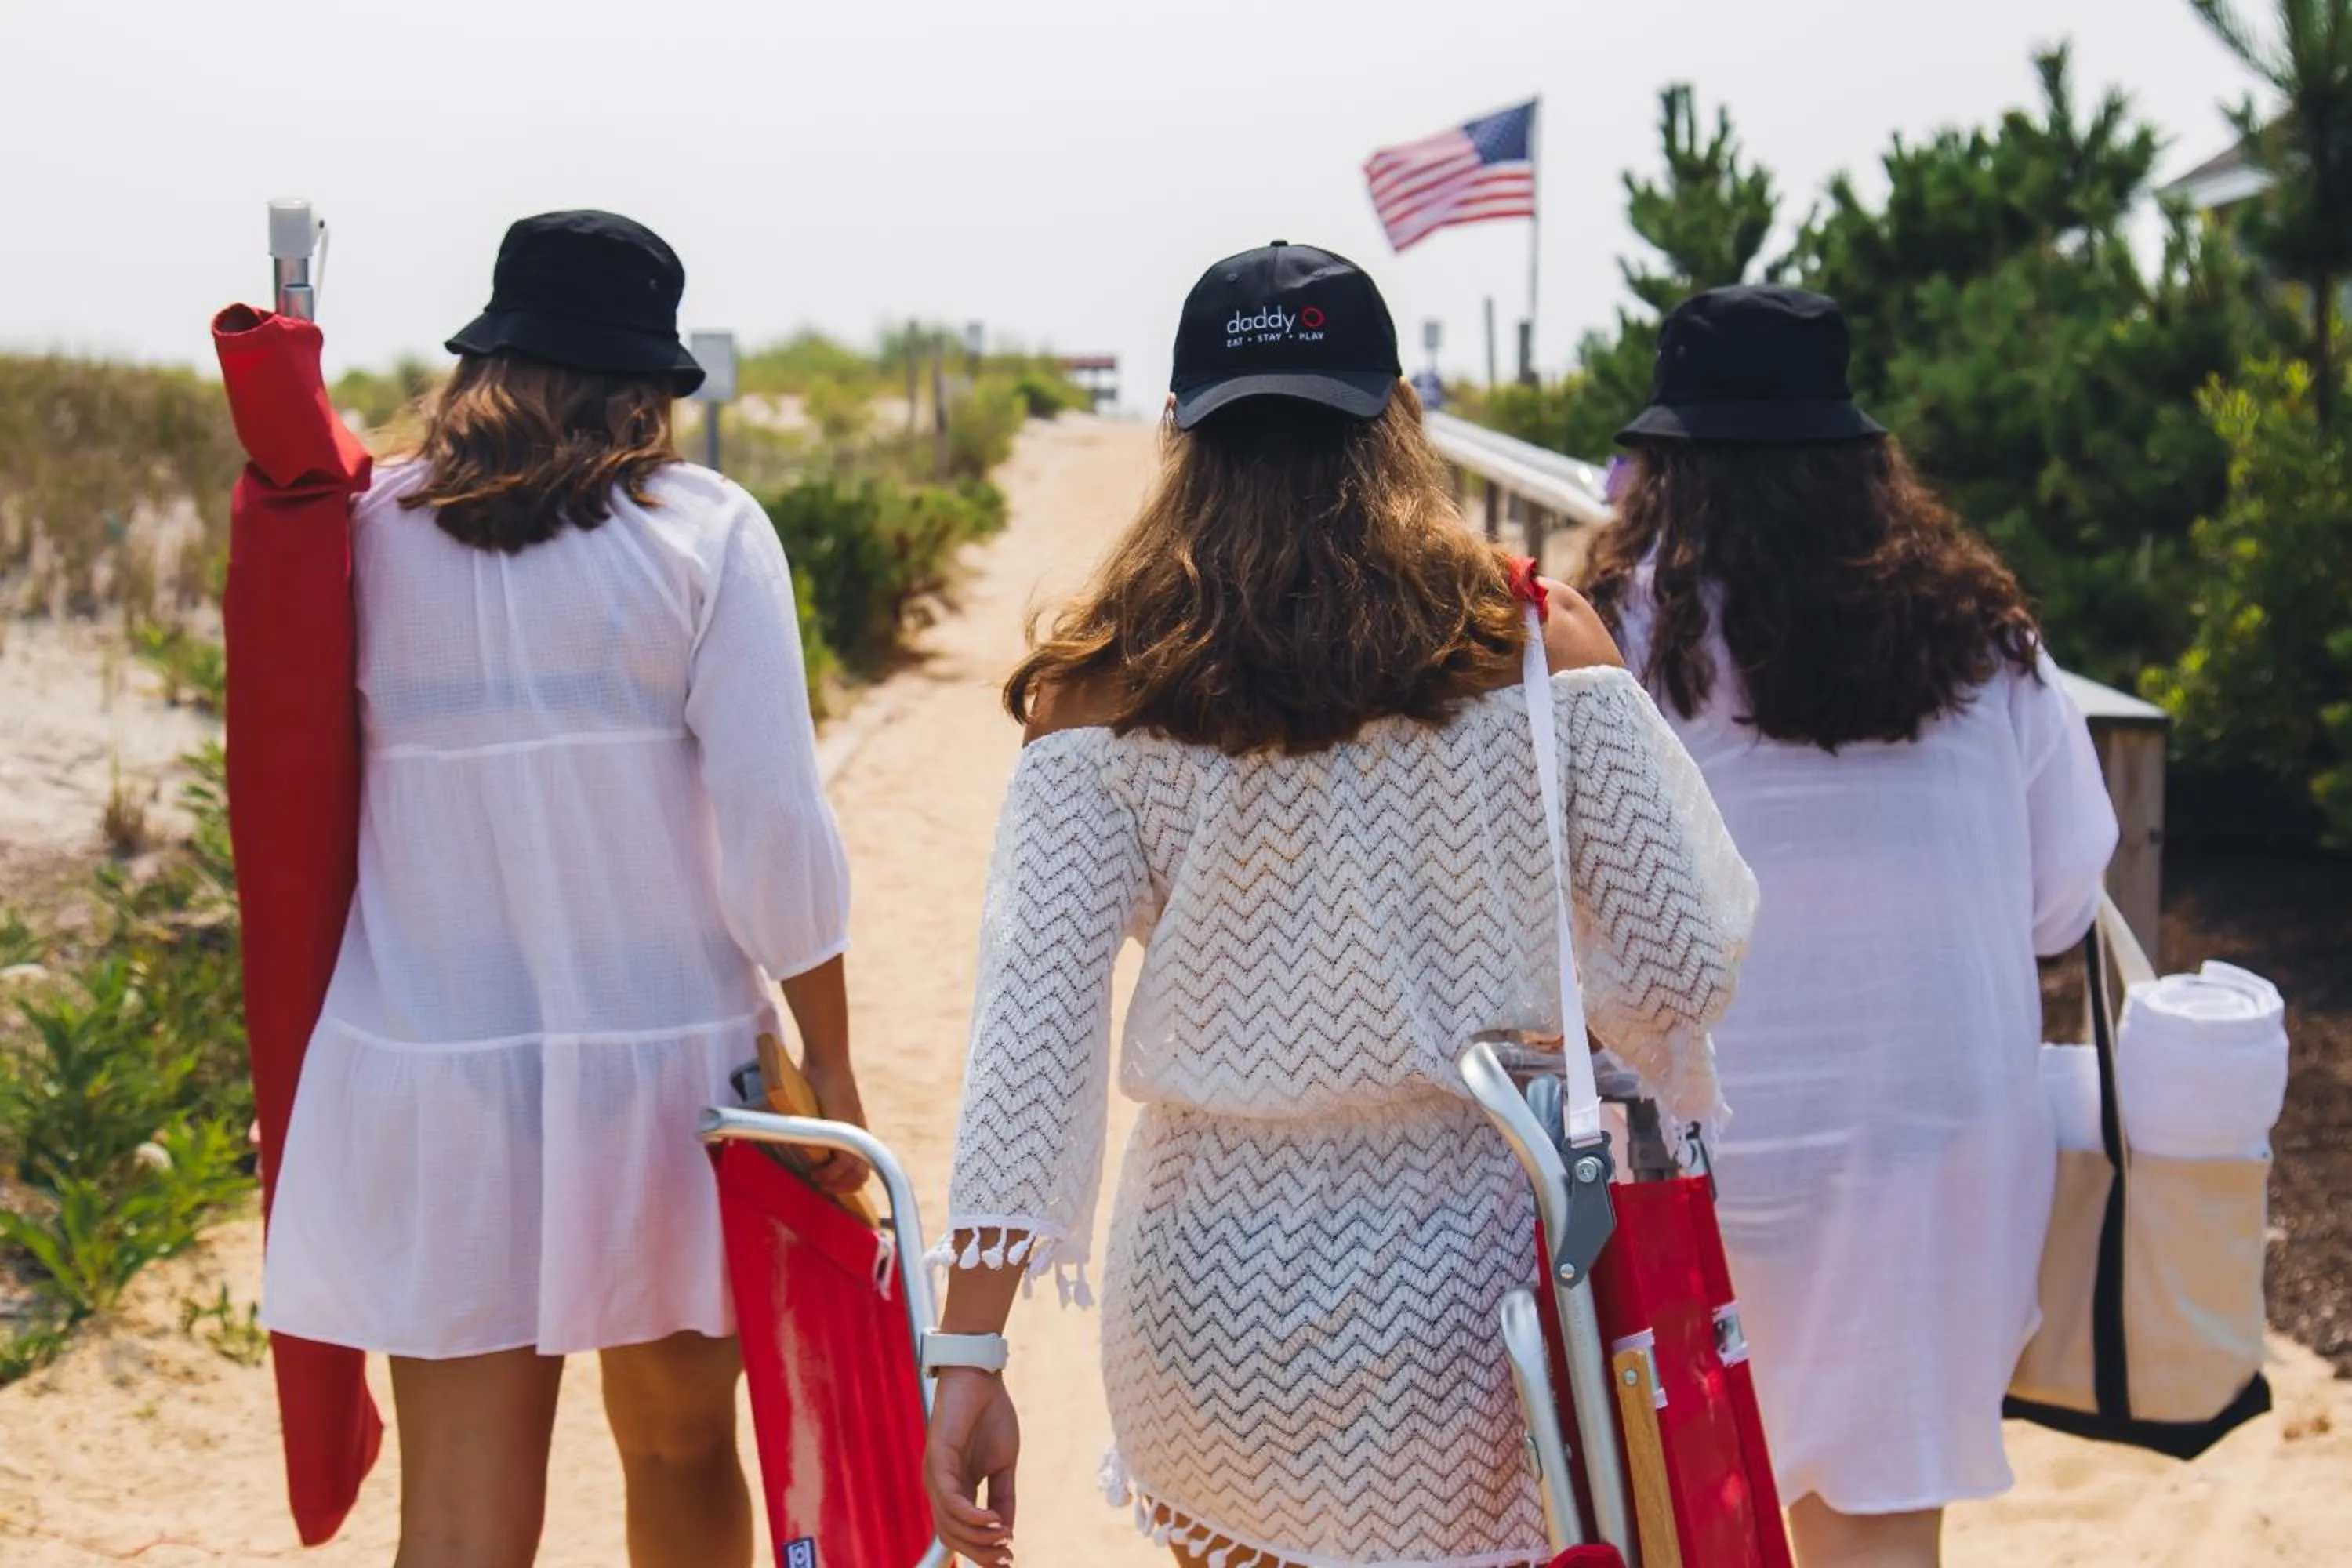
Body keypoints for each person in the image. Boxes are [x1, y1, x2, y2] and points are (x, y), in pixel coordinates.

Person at [920, 241, 1758, 1568]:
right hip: (1478, 1318)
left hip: (1207, 1308)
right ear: (1398, 417)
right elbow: (1683, 957)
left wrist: (969, 1347)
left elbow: (1029, 1050)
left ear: (1184, 437)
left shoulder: (1101, 684)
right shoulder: (1534, 642)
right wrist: (1519, 991)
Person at [258, 211, 862, 1568]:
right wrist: (833, 1069)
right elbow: (777, 829)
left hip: (430, 1069)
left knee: (460, 1529)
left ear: (486, 359)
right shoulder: (702, 530)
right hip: (672, 1077)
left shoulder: (363, 532)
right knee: (681, 1450)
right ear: (647, 386)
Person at [1580, 285, 2121, 1568]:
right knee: (1881, 1525)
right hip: (1939, 1139)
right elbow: (2063, 901)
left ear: (1666, 461)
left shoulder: (1620, 633)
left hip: (1694, 1145)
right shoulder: (1982, 636)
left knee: (1689, 1507)